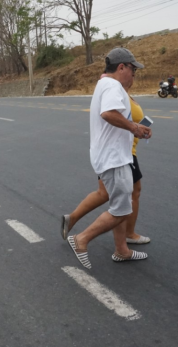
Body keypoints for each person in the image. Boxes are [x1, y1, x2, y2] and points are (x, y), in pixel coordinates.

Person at [64, 47, 152, 269]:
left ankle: (121, 250)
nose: (134, 75)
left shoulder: (104, 84)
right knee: (122, 209)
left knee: (118, 201)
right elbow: (109, 113)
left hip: (112, 156)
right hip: (114, 158)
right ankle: (81, 239)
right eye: (132, 70)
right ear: (121, 67)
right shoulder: (113, 85)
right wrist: (133, 127)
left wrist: (134, 127)